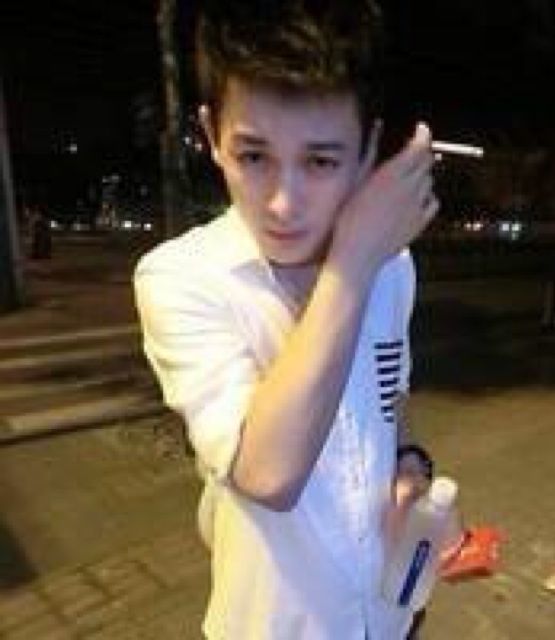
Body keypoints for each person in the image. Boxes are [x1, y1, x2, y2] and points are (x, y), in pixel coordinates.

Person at [133, 1, 439, 637]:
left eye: (321, 161)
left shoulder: (393, 266)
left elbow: (392, 395)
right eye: (254, 156)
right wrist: (352, 260)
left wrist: (410, 463)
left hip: (390, 614)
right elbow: (266, 473)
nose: (282, 202)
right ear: (212, 135)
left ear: (368, 149)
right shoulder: (181, 278)